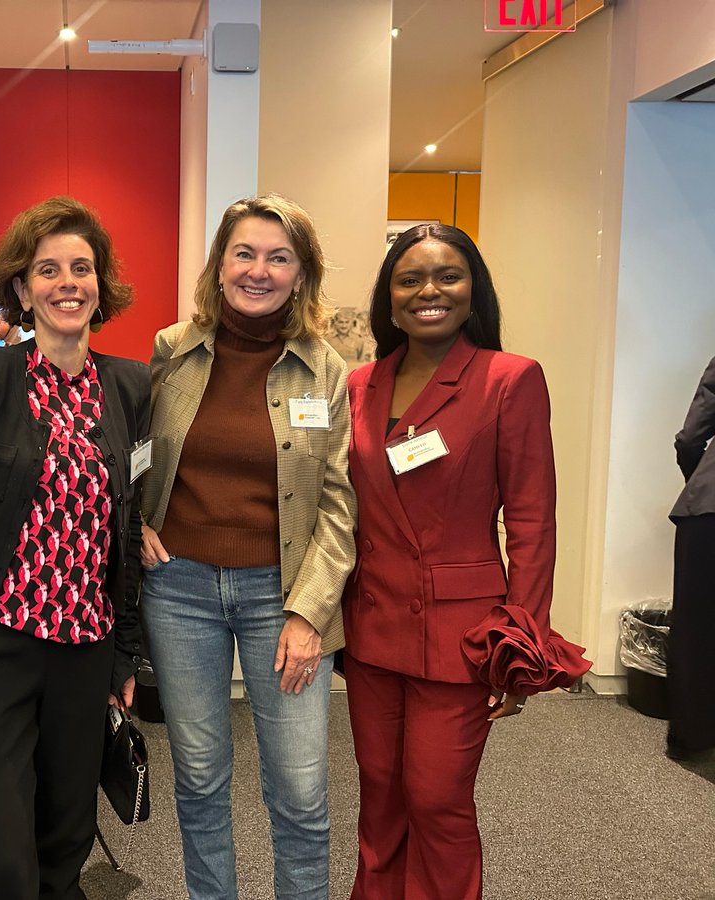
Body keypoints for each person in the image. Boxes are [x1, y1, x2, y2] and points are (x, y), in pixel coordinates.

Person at [344, 224, 585, 899]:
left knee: (436, 801)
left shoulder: (509, 379)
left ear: (472, 287)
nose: (428, 291)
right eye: (409, 278)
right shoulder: (362, 383)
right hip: (371, 627)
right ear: (387, 298)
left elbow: (533, 521)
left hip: (462, 636)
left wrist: (522, 642)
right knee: (381, 796)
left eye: (447, 275)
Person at [0, 196, 149, 900]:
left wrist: (126, 650)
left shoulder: (131, 385)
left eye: (82, 267)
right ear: (22, 288)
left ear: (101, 284)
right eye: (48, 269)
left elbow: (130, 518)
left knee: (65, 835)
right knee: (1, 839)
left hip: (85, 644)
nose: (68, 282)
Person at [137, 194, 356, 900]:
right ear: (219, 264)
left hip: (283, 595)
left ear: (301, 274)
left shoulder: (326, 369)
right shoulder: (173, 349)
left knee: (298, 786)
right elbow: (142, 456)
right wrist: (135, 521)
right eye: (244, 253)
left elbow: (339, 502)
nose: (258, 270)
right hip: (179, 590)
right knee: (198, 776)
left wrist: (310, 613)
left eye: (278, 257)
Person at [667, 354, 715, 762]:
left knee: (695, 622)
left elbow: (689, 437)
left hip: (708, 510)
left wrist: (701, 479)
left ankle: (690, 738)